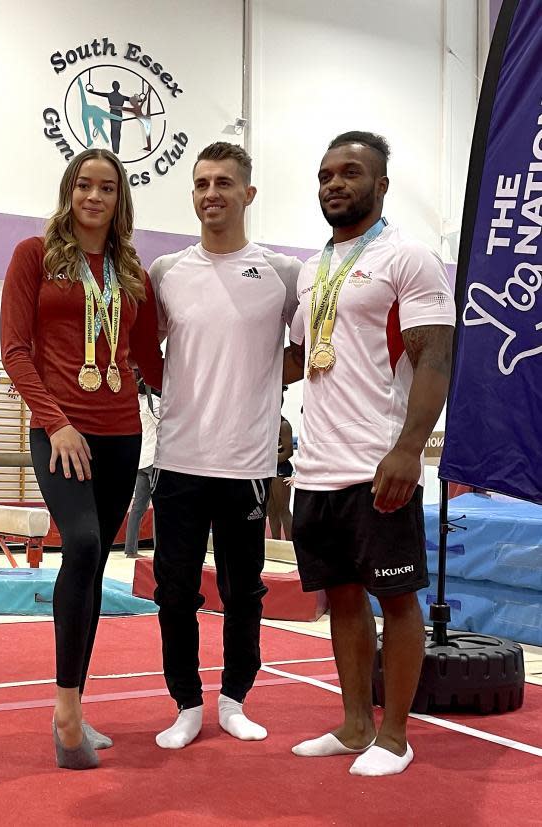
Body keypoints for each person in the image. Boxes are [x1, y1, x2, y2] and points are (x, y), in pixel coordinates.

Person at [284, 131, 455, 776]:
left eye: (351, 173)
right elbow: (302, 359)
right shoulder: (313, 269)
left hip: (378, 462)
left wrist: (409, 450)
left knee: (398, 599)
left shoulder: (409, 258)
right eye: (326, 174)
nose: (335, 183)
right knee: (344, 598)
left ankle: (394, 737)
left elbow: (435, 355)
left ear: (381, 184)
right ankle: (354, 724)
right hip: (318, 465)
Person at [0, 147, 163, 770]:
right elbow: (16, 350)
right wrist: (56, 422)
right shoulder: (33, 256)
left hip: (122, 433)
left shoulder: (131, 272)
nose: (94, 197)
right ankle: (65, 708)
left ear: (121, 200)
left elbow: (150, 360)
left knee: (91, 571)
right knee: (88, 545)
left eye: (107, 189)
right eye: (84, 185)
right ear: (69, 191)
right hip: (62, 431)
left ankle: (78, 702)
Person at [149, 142, 301, 749]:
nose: (211, 193)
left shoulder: (282, 274)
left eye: (224, 183)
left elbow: (305, 353)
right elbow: (142, 354)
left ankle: (235, 697)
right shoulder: (165, 273)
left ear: (248, 194)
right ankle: (186, 703)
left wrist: (259, 383)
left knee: (245, 589)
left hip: (247, 462)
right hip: (180, 458)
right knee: (174, 591)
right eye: (201, 183)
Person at [124, 373, 159, 557]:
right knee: (159, 507)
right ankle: (160, 550)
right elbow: (163, 423)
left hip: (141, 459)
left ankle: (130, 550)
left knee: (138, 507)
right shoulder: (153, 402)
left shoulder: (134, 403)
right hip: (154, 460)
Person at [266, 390, 294, 540]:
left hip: (281, 469)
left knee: (283, 509)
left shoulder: (284, 425)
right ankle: (275, 542)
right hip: (269, 469)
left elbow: (288, 452)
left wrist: (269, 460)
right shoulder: (267, 423)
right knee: (271, 509)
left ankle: (290, 544)